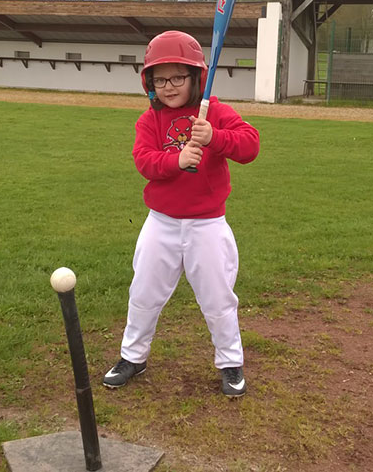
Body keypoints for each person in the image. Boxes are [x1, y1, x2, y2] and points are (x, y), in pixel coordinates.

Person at [103, 30, 260, 398]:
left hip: (207, 224)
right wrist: (176, 160)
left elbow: (250, 145)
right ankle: (133, 357)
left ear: (196, 78)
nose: (169, 87)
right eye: (160, 79)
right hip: (162, 222)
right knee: (143, 292)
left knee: (218, 298)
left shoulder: (215, 113)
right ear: (149, 84)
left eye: (177, 77)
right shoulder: (150, 120)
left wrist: (215, 137)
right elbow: (144, 161)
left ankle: (230, 361)